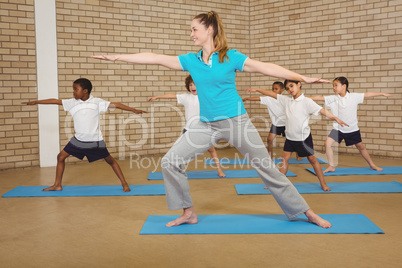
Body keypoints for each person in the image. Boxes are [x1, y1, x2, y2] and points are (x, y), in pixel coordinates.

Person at [92, 11, 333, 228]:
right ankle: (188, 212)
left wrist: (302, 77)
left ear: (210, 30)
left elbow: (265, 68)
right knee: (170, 162)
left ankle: (306, 211)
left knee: (267, 169)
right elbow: (155, 57)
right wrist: (118, 57)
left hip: (236, 121)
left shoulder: (231, 57)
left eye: (194, 29)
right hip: (205, 124)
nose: (191, 34)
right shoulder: (191, 60)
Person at [23, 78, 147, 192]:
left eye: (76, 89)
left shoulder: (96, 102)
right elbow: (55, 101)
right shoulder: (72, 102)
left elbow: (117, 104)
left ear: (85, 91)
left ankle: (124, 184)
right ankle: (57, 185)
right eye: (73, 89)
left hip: (95, 140)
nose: (73, 92)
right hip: (78, 140)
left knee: (110, 161)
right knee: (60, 157)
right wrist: (36, 102)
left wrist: (134, 110)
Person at [246, 80, 348, 191]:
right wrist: (257, 90)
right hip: (290, 137)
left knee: (312, 160)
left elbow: (322, 110)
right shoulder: (286, 100)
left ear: (299, 84)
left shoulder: (306, 102)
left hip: (303, 138)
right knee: (284, 159)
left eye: (292, 86)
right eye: (287, 88)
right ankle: (278, 183)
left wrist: (335, 118)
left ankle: (323, 183)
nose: (290, 89)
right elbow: (272, 94)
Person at [148, 74, 226, 177]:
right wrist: (157, 97)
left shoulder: (205, 97)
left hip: (203, 130)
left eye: (195, 85)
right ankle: (180, 170)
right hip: (189, 130)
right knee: (181, 151)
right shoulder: (186, 97)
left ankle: (219, 170)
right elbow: (172, 96)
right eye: (190, 85)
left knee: (211, 150)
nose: (193, 87)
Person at [310, 76, 392, 173]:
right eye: (333, 86)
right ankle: (331, 166)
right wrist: (304, 98)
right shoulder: (333, 98)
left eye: (336, 85)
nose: (334, 88)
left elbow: (367, 94)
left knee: (361, 147)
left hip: (352, 129)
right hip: (338, 129)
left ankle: (372, 164)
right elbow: (320, 98)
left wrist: (382, 93)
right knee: (327, 144)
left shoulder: (354, 97)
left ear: (344, 86)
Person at [243, 81, 301, 161]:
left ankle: (298, 155)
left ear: (282, 90)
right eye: (273, 89)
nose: (274, 90)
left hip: (286, 124)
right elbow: (257, 98)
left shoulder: (285, 99)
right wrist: (246, 99)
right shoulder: (268, 99)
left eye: (276, 89)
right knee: (269, 139)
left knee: (292, 140)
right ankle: (270, 156)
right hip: (276, 124)